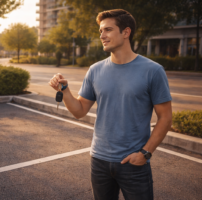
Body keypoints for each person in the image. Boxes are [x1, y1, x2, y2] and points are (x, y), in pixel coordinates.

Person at [48, 9, 172, 200]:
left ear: (126, 32)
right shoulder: (95, 70)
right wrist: (65, 91)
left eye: (107, 30)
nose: (102, 36)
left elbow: (165, 117)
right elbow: (79, 111)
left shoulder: (153, 71)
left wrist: (145, 154)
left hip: (134, 163)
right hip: (99, 161)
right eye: (100, 31)